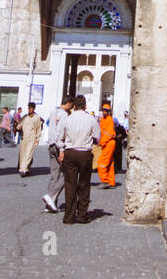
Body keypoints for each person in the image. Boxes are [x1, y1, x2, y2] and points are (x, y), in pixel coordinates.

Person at [54, 95, 98, 224]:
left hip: (70, 152)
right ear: (85, 106)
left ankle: (69, 216)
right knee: (84, 184)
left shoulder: (67, 119)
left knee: (70, 185)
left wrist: (62, 148)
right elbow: (97, 136)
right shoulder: (91, 119)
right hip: (85, 153)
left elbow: (58, 137)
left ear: (74, 106)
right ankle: (82, 215)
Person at [43, 96, 73, 213]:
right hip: (58, 146)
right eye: (70, 105)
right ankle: (51, 197)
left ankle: (50, 205)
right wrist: (62, 149)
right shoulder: (64, 115)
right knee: (67, 174)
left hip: (50, 145)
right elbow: (61, 132)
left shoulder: (53, 112)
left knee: (54, 175)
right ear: (68, 104)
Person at [17, 102, 43, 176]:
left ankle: (23, 170)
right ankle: (27, 168)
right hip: (24, 137)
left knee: (29, 153)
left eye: (31, 108)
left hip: (32, 138)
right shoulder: (25, 117)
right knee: (23, 154)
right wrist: (17, 128)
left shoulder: (37, 118)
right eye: (28, 108)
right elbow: (19, 125)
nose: (29, 109)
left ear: (34, 109)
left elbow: (38, 129)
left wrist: (37, 138)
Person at [96, 101, 117, 188]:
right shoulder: (103, 120)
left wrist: (102, 142)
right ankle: (111, 182)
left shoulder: (109, 120)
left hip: (109, 143)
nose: (104, 112)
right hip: (108, 143)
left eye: (106, 111)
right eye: (104, 110)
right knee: (110, 163)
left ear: (109, 112)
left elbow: (108, 134)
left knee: (101, 162)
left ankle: (104, 181)